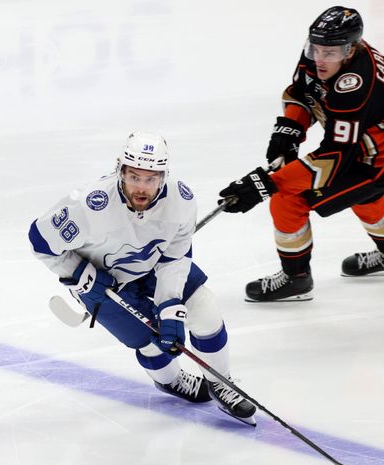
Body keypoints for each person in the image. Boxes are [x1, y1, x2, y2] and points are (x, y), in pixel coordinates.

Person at [28, 130, 256, 425]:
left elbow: (175, 259)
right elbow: (41, 241)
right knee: (148, 340)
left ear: (163, 176)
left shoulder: (181, 201)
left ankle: (222, 383)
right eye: (134, 177)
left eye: (151, 179)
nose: (142, 188)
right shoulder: (88, 205)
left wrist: (170, 306)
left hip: (150, 266)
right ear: (120, 170)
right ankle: (170, 381)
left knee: (204, 307)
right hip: (102, 282)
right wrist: (81, 275)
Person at [218, 6, 384, 302]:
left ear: (350, 50)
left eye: (330, 53)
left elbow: (336, 157)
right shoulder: (321, 53)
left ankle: (296, 279)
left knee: (289, 199)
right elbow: (301, 93)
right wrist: (288, 133)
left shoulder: (355, 84)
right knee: (362, 194)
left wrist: (268, 184)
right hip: (374, 133)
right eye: (316, 49)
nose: (320, 59)